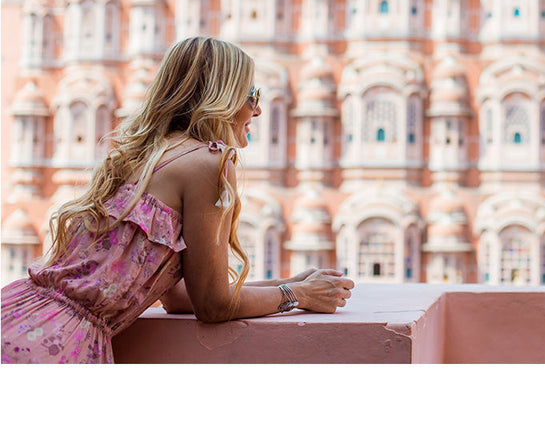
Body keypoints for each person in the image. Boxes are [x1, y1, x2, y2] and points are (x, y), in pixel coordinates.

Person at [1, 36, 354, 363]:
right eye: (252, 94)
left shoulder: (147, 155)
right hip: (55, 345)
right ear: (222, 96)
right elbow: (212, 304)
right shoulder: (209, 162)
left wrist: (289, 284)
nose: (256, 109)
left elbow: (178, 295)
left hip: (20, 317)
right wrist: (300, 297)